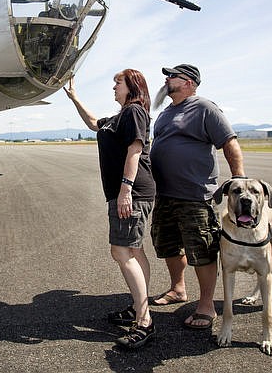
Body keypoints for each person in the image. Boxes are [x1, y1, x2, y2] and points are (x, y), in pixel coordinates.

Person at [64, 70, 157, 349]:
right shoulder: (119, 117)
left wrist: (125, 190)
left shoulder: (134, 112)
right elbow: (94, 123)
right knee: (134, 250)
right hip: (127, 192)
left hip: (132, 191)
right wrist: (74, 98)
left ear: (132, 87)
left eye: (118, 82)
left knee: (121, 251)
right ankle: (137, 307)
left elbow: (135, 150)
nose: (114, 87)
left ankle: (144, 322)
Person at [149, 64, 244, 330]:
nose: (167, 80)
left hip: (195, 194)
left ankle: (206, 305)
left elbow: (229, 142)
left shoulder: (204, 108)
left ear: (189, 82)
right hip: (164, 193)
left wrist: (239, 179)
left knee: (201, 248)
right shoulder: (165, 113)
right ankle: (178, 289)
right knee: (167, 245)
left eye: (172, 76)